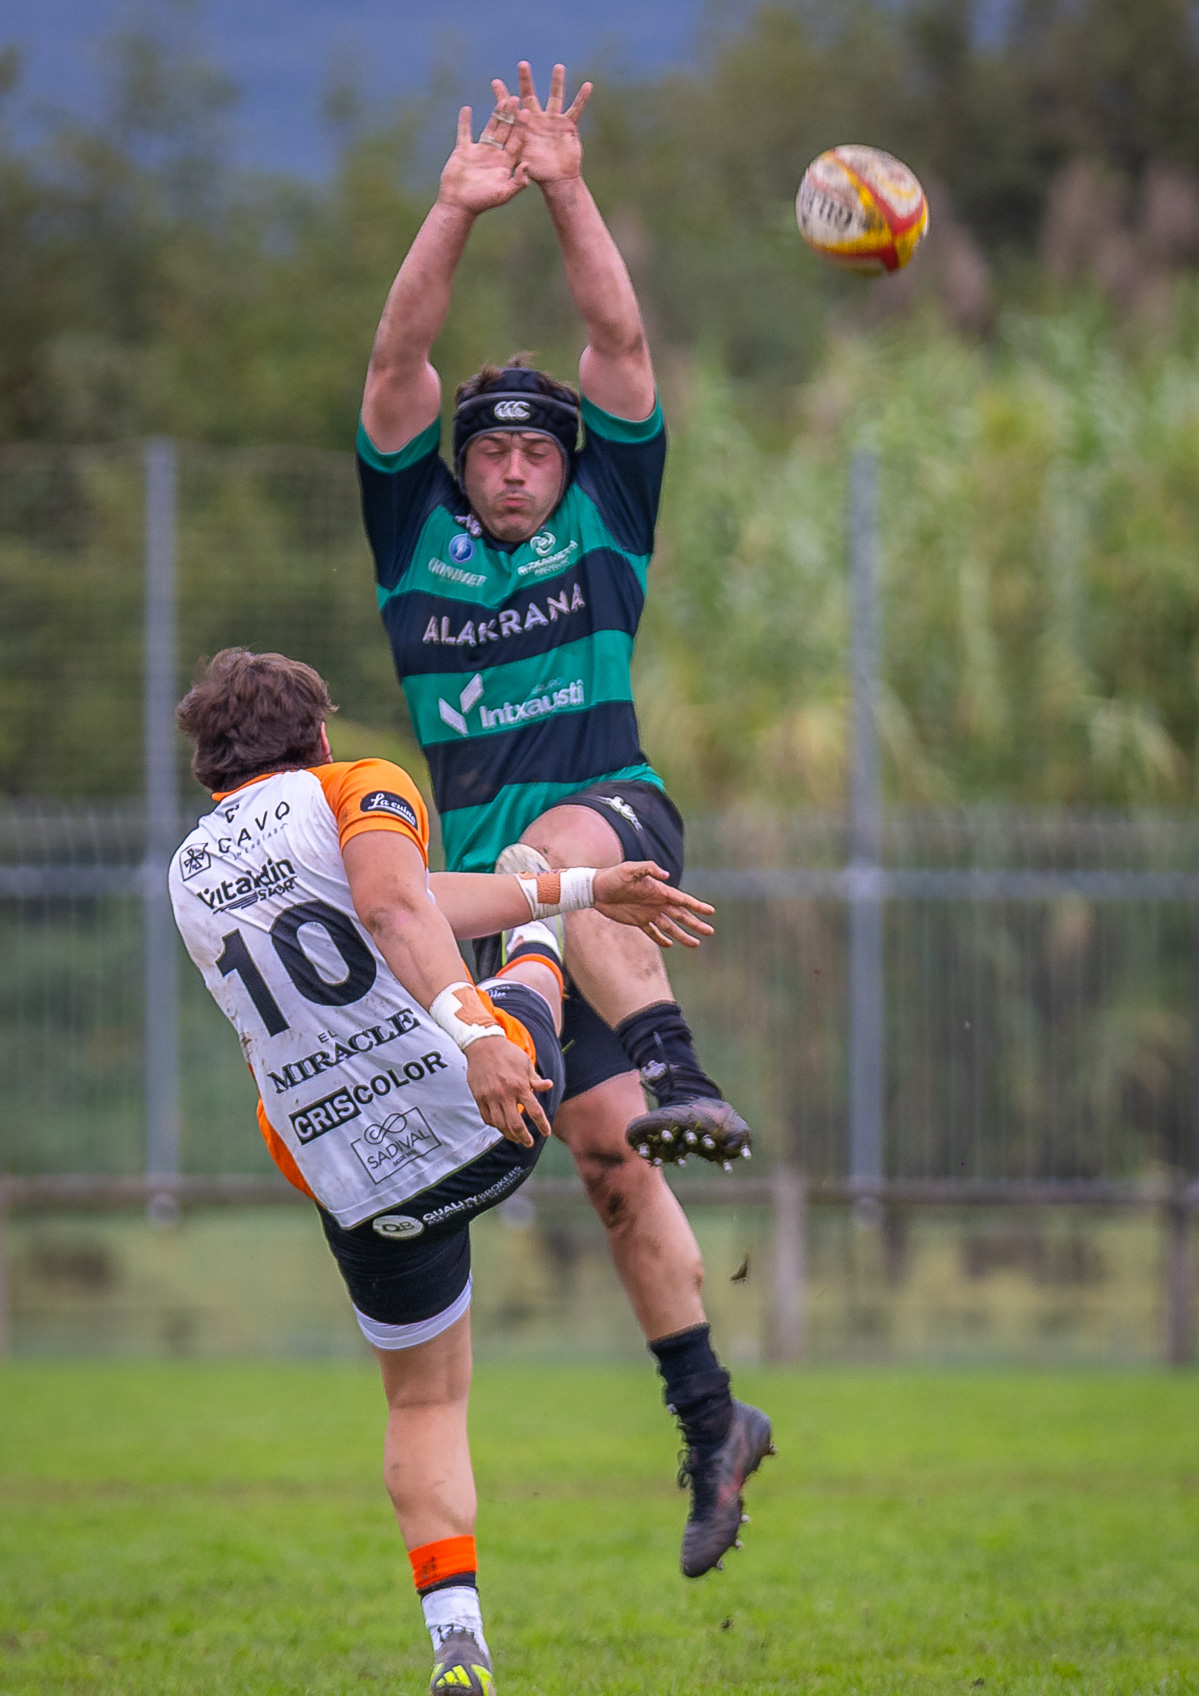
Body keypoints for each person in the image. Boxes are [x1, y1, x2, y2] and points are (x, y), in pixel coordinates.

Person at [356, 61, 772, 1586]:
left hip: (612, 824)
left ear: (567, 464)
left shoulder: (606, 517)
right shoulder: (419, 547)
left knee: (559, 879)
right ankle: (712, 1422)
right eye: (495, 450)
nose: (520, 465)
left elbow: (616, 337)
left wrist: (567, 187)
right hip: (503, 904)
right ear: (463, 469)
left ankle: (677, 1063)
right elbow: (398, 360)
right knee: (607, 1166)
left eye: (539, 447)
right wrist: (457, 209)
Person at [168, 647, 718, 1696]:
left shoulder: (188, 868)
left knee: (424, 1400)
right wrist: (476, 1028)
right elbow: (392, 908)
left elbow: (406, 898)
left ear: (209, 771)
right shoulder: (354, 783)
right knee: (526, 953)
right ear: (317, 736)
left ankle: (456, 1634)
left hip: (353, 1183)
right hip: (486, 1114)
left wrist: (580, 881)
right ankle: (559, 955)